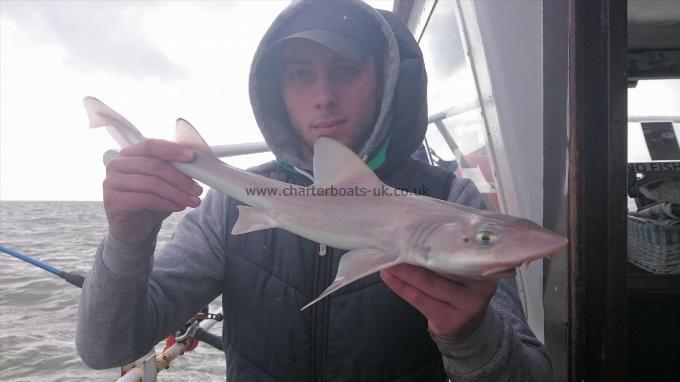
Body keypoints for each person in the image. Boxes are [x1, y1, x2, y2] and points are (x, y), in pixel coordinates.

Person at [76, 0, 552, 380]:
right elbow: (107, 347)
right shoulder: (228, 205)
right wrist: (128, 242)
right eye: (300, 75)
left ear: (383, 80)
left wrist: (472, 336)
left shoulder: (453, 200)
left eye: (346, 69)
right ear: (277, 91)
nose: (324, 96)